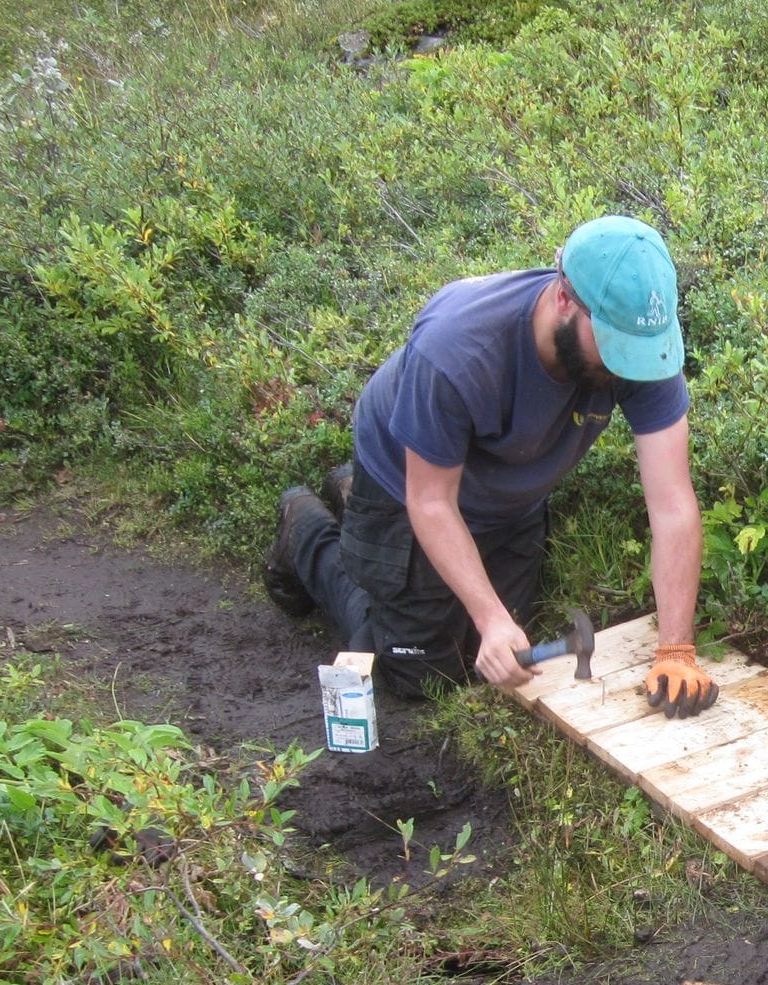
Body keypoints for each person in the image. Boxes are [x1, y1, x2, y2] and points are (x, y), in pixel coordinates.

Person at [264, 215, 719, 717]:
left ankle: (355, 503)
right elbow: (431, 501)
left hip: (507, 489)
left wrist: (676, 647)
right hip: (410, 477)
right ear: (564, 298)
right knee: (424, 673)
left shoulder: (639, 345)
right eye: (613, 345)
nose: (625, 365)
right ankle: (309, 532)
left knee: (505, 652)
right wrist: (489, 617)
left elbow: (673, 503)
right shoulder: (458, 347)